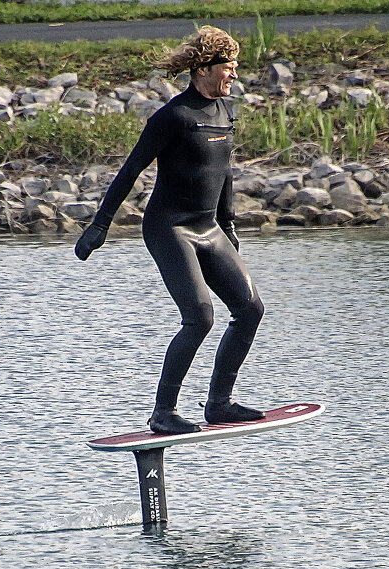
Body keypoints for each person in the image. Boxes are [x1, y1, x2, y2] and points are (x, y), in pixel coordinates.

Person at [75, 26, 265, 435]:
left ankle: (219, 404)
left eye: (236, 66)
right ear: (203, 68)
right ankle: (163, 412)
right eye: (228, 67)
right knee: (199, 317)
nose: (234, 74)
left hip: (208, 227)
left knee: (250, 309)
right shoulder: (173, 117)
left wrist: (228, 223)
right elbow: (130, 170)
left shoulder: (226, 111)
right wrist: (100, 224)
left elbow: (223, 170)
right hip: (170, 228)